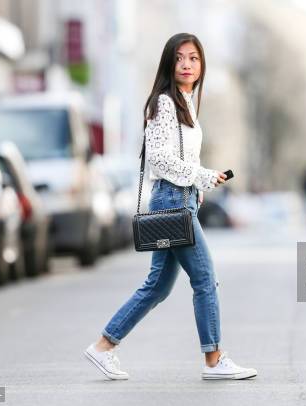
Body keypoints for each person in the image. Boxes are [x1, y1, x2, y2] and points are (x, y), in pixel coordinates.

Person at [84, 33, 257, 381]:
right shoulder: (164, 102)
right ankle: (214, 359)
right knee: (205, 278)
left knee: (158, 286)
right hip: (172, 199)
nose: (187, 65)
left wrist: (199, 184)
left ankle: (103, 346)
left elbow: (179, 156)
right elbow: (160, 158)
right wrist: (200, 175)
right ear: (169, 63)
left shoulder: (187, 102)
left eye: (193, 58)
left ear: (202, 63)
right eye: (180, 58)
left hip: (180, 197)